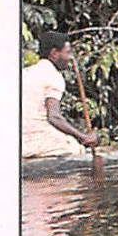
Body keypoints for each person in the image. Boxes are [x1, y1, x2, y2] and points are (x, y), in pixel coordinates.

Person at [22, 30, 99, 158]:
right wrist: (83, 137)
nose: (70, 58)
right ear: (54, 54)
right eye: (67, 52)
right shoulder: (53, 76)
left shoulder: (27, 72)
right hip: (35, 141)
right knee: (75, 148)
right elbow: (54, 117)